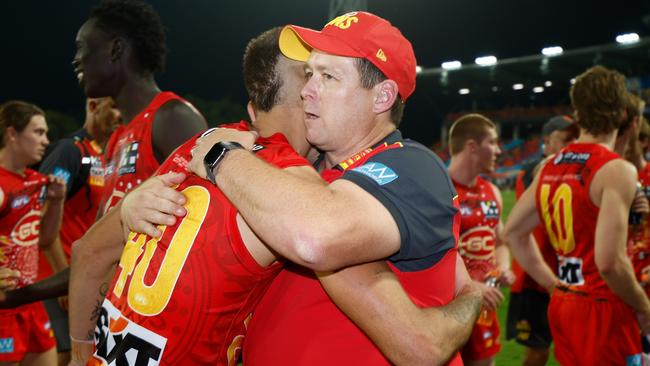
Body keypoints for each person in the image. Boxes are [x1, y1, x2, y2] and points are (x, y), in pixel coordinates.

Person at [74, 24, 481, 365]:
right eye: (308, 74)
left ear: (382, 97)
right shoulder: (296, 171)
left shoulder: (409, 163)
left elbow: (315, 237)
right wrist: (134, 204)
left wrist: (218, 152)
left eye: (327, 77)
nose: (308, 90)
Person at [503, 65, 650, 365]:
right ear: (622, 114)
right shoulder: (616, 169)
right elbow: (609, 262)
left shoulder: (549, 165)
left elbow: (513, 233)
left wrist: (551, 284)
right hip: (603, 306)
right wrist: (644, 307)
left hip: (564, 302)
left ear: (578, 114)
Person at [33, 97, 120, 366]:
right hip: (57, 278)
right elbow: (41, 216)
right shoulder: (70, 151)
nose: (119, 114)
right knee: (63, 354)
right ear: (93, 106)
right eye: (113, 106)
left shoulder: (111, 155)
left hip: (90, 277)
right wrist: (67, 281)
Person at [506, 115, 578, 366]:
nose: (572, 143)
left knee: (573, 348)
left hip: (567, 274)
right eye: (566, 138)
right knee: (537, 351)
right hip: (535, 280)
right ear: (547, 140)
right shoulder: (534, 171)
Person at [0, 101, 66, 366]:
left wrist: (58, 202)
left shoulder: (34, 182)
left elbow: (44, 240)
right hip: (3, 308)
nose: (45, 141)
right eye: (38, 132)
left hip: (29, 300)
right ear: (12, 134)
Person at [446, 113, 514, 365]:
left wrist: (503, 269)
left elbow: (501, 241)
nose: (498, 150)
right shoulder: (441, 190)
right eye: (493, 142)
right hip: (450, 308)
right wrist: (472, 288)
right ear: (472, 146)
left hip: (486, 306)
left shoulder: (491, 191)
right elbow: (434, 258)